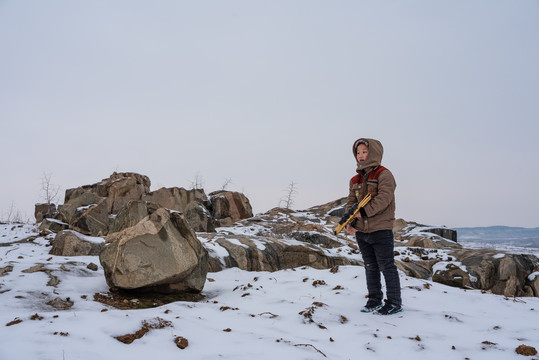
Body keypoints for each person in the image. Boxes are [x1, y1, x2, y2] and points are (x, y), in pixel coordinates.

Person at [345, 138, 402, 315]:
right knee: (370, 265)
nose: (361, 156)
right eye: (358, 152)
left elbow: (384, 199)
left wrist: (364, 212)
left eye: (364, 152)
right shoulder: (355, 179)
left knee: (386, 266)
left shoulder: (384, 174)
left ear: (374, 152)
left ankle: (394, 302)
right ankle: (374, 300)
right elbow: (351, 203)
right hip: (362, 231)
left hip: (381, 229)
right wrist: (350, 222)